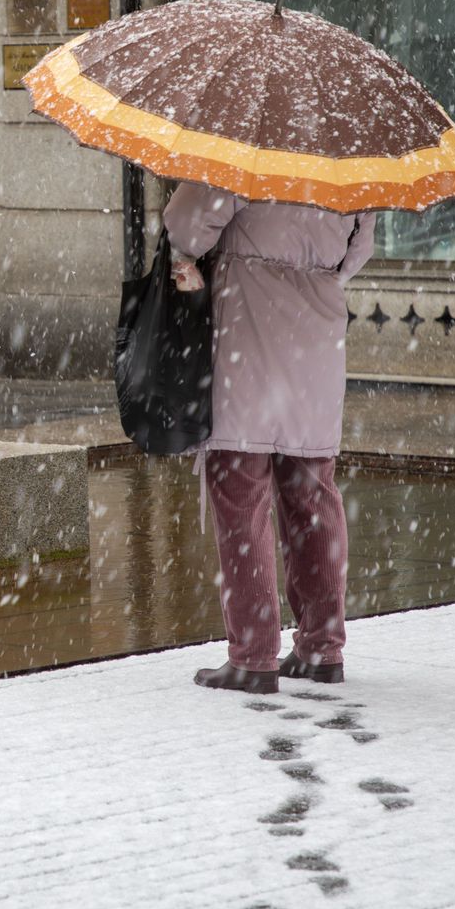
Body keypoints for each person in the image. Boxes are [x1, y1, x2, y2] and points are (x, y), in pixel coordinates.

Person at [163, 181, 375, 694]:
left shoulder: (248, 150)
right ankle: (322, 648)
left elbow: (187, 225)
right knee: (313, 490)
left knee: (239, 489)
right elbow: (357, 253)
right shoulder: (350, 162)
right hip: (317, 329)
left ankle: (253, 654)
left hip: (246, 322)